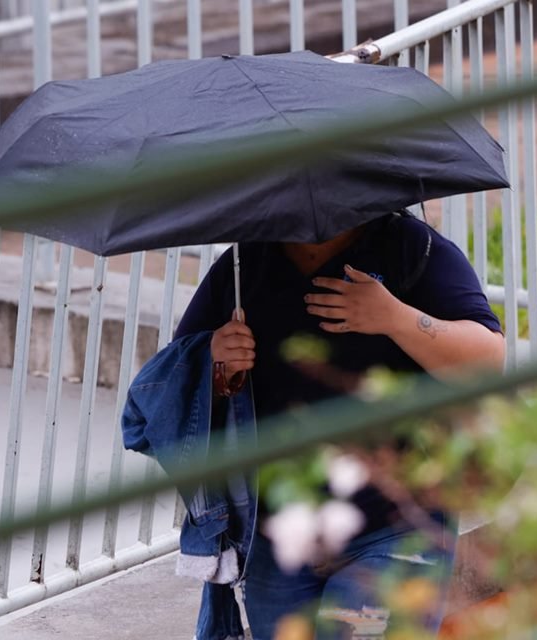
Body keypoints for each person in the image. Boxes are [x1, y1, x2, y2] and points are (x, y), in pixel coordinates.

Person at [172, 211, 505, 639]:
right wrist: (216, 359)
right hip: (281, 540)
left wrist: (396, 318)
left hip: (397, 530)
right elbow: (174, 383)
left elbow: (488, 362)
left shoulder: (412, 249)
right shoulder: (244, 263)